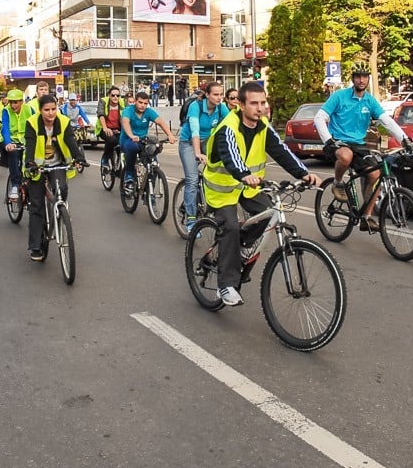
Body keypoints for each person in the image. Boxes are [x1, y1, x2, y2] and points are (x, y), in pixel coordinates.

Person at [204, 82, 321, 307]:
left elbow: (281, 151)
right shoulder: (228, 127)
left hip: (249, 187)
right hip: (223, 189)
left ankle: (240, 248)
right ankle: (226, 285)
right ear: (240, 105)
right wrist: (244, 174)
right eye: (254, 103)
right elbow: (232, 157)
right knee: (230, 226)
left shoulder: (263, 126)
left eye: (263, 102)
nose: (260, 108)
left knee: (269, 213)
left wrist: (304, 174)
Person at [314, 60, 413, 232]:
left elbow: (386, 121)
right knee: (346, 156)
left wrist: (404, 139)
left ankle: (366, 217)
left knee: (375, 175)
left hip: (359, 145)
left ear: (368, 79)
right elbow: (319, 118)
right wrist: (328, 140)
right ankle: (337, 183)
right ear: (353, 78)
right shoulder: (339, 96)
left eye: (365, 77)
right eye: (358, 76)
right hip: (338, 142)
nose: (361, 80)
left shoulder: (370, 101)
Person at [23, 94, 87, 262]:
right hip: (37, 166)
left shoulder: (63, 121)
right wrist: (30, 162)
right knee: (36, 205)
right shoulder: (32, 122)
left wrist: (79, 157)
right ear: (40, 110)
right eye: (46, 110)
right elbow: (30, 144)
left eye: (53, 109)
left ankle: (60, 213)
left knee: (62, 189)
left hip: (57, 163)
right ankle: (36, 245)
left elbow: (70, 140)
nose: (51, 113)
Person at [178, 82, 229, 232]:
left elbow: (232, 125)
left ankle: (214, 208)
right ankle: (191, 219)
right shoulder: (196, 106)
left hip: (208, 142)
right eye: (215, 94)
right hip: (188, 142)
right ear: (207, 95)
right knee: (192, 179)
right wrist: (198, 153)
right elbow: (195, 131)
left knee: (218, 174)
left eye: (221, 94)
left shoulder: (221, 107)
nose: (219, 98)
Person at [121, 91, 176, 190]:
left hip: (142, 140)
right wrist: (131, 135)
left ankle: (149, 192)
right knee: (132, 147)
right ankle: (129, 175)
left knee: (153, 162)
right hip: (128, 139)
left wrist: (170, 135)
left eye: (145, 103)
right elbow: (125, 123)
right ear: (135, 102)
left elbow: (161, 122)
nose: (143, 105)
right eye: (140, 102)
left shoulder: (149, 112)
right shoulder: (128, 111)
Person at [0, 89, 26, 200]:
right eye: (11, 102)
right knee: (14, 155)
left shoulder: (29, 109)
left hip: (27, 140)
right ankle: (15, 185)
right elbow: (5, 128)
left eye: (16, 102)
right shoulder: (6, 111)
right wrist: (8, 143)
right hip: (12, 141)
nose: (13, 105)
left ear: (22, 102)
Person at [96, 86, 125, 166]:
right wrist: (105, 128)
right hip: (104, 128)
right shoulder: (103, 101)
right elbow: (101, 114)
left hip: (118, 129)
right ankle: (105, 158)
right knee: (112, 140)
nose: (115, 97)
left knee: (124, 143)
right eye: (113, 95)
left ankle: (119, 166)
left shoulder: (122, 102)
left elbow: (127, 116)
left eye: (118, 95)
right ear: (109, 95)